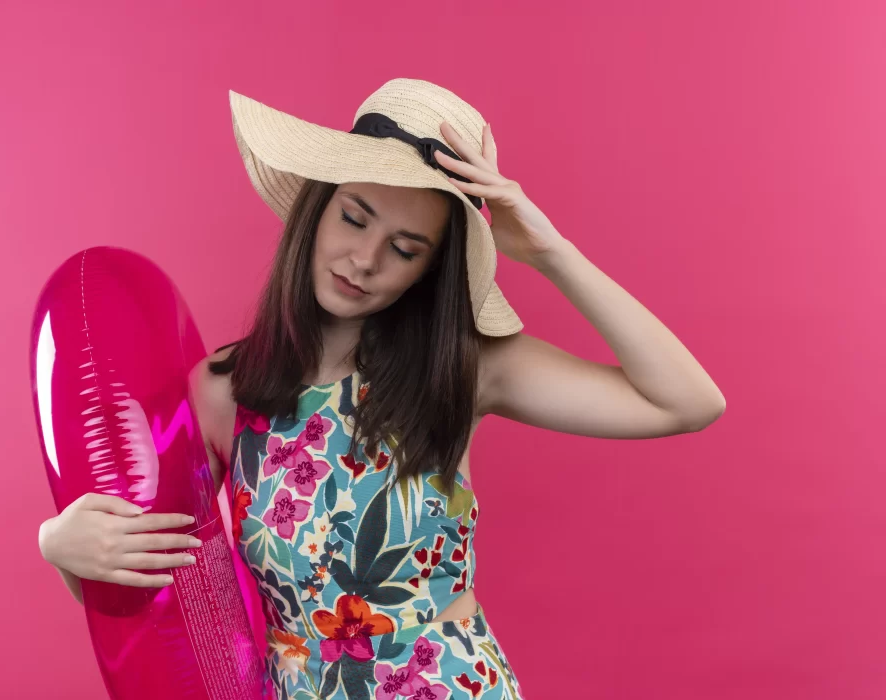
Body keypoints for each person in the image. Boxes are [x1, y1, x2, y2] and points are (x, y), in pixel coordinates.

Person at [38, 78, 726, 699]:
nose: (363, 261)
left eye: (404, 249)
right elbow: (157, 581)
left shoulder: (465, 368)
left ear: (430, 270)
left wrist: (549, 251)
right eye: (355, 217)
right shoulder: (224, 391)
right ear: (317, 207)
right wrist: (61, 547)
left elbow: (686, 402)